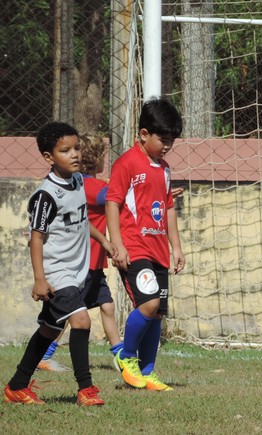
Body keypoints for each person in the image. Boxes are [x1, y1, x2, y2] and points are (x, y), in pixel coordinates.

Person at [4, 122, 115, 406]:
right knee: (80, 321)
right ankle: (86, 390)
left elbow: (79, 220)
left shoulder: (77, 181)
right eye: (65, 150)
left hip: (75, 270)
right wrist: (40, 278)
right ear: (48, 157)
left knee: (49, 331)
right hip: (56, 272)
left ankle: (17, 386)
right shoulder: (46, 195)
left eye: (76, 148)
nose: (74, 154)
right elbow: (36, 237)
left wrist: (102, 240)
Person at [106, 97, 185, 392]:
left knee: (158, 312)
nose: (167, 146)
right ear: (143, 134)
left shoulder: (164, 169)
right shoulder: (127, 163)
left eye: (171, 141)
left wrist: (176, 247)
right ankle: (126, 357)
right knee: (148, 303)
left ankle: (148, 372)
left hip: (158, 251)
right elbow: (113, 203)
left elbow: (168, 209)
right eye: (163, 140)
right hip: (134, 248)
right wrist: (118, 244)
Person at [37, 134, 123, 372]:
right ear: (96, 160)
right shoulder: (91, 186)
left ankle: (120, 356)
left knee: (106, 306)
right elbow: (115, 197)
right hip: (84, 262)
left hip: (93, 262)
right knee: (67, 314)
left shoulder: (80, 184)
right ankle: (45, 354)